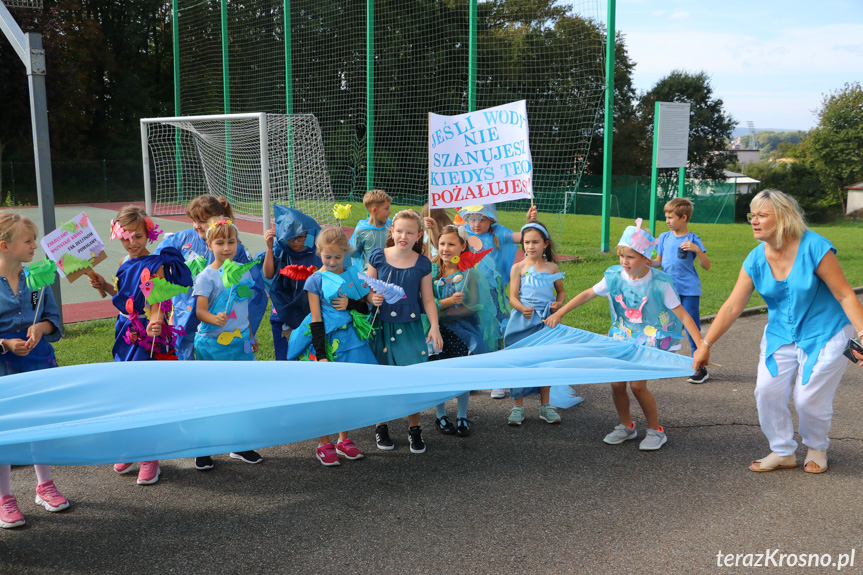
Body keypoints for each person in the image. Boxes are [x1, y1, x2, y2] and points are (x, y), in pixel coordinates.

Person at [694, 190, 863, 473]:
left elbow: (845, 294)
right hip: (781, 334)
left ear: (783, 218)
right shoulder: (755, 258)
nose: (753, 221)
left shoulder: (814, 247)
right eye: (752, 215)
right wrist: (706, 342)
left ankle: (817, 447)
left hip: (826, 332)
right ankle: (782, 451)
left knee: (807, 397)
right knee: (767, 391)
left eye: (761, 215)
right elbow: (734, 306)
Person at [545, 218, 703, 451]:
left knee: (638, 386)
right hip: (622, 336)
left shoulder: (661, 283)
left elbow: (685, 316)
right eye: (622, 256)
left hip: (649, 337)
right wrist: (561, 314)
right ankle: (626, 425)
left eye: (631, 256)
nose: (625, 262)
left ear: (645, 258)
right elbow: (587, 294)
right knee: (617, 384)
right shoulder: (615, 276)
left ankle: (655, 430)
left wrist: (701, 346)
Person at [89, 205, 193, 484]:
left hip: (148, 333)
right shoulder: (124, 262)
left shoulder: (156, 263)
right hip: (125, 331)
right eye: (126, 238)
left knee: (147, 393)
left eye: (137, 237)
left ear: (148, 233)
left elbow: (156, 298)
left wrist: (156, 321)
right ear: (117, 237)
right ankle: (132, 447)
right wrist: (104, 285)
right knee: (126, 391)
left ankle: (150, 455)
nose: (132, 243)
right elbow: (124, 296)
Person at [287, 226, 377, 465]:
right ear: (319, 252)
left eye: (338, 256)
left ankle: (343, 440)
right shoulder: (315, 280)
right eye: (328, 257)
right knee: (325, 394)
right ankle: (323, 443)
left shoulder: (352, 274)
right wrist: (321, 354)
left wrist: (350, 303)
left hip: (351, 341)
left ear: (346, 253)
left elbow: (364, 309)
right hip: (325, 344)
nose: (333, 261)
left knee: (348, 391)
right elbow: (316, 319)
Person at [0, 213, 68, 528]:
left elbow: (54, 318)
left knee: (39, 425)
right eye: (27, 241)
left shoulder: (37, 278)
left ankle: (44, 486)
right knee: (5, 433)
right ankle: (5, 498)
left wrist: (40, 327)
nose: (33, 246)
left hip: (39, 363)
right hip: (4, 369)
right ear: (4, 246)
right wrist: (5, 344)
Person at [366, 209, 443, 453]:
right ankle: (381, 426)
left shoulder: (422, 263)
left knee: (413, 377)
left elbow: (428, 299)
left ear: (419, 235)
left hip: (409, 328)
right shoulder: (378, 256)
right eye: (399, 230)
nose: (404, 236)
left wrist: (435, 326)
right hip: (381, 327)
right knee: (381, 378)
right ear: (392, 231)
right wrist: (372, 297)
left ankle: (414, 429)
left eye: (410, 232)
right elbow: (366, 290)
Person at [190, 217, 264, 470]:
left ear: (238, 243)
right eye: (220, 242)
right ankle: (204, 447)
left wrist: (251, 335)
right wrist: (215, 317)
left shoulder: (242, 272)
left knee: (241, 395)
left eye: (231, 242)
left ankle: (238, 443)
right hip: (212, 345)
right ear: (209, 244)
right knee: (211, 396)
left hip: (240, 343)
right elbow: (200, 312)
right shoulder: (206, 277)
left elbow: (246, 311)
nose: (226, 247)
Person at [155, 195, 266, 360]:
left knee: (217, 351)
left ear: (218, 218)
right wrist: (166, 298)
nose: (197, 226)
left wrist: (249, 331)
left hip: (217, 309)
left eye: (203, 221)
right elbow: (157, 260)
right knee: (183, 352)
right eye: (194, 220)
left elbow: (249, 286)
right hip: (185, 306)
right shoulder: (182, 239)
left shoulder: (235, 247)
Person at [459, 203, 537, 399]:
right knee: (471, 331)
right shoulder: (463, 234)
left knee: (493, 332)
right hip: (469, 292)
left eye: (481, 219)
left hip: (492, 294)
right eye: (472, 219)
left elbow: (522, 238)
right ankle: (472, 377)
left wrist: (529, 223)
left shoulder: (499, 233)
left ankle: (497, 380)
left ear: (491, 219)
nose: (475, 224)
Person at [429, 225, 499, 437]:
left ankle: (461, 415)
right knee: (437, 373)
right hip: (435, 330)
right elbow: (425, 302)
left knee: (462, 373)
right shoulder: (431, 272)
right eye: (442, 244)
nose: (446, 249)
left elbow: (475, 305)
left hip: (463, 330)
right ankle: (440, 414)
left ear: (463, 246)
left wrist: (447, 312)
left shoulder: (470, 274)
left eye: (451, 244)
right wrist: (446, 304)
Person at [504, 221, 566, 426]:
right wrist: (521, 308)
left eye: (535, 242)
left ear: (545, 244)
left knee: (545, 361)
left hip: (545, 321)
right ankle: (518, 406)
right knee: (518, 362)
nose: (530, 246)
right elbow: (512, 297)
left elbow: (561, 291)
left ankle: (545, 405)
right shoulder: (518, 267)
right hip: (523, 320)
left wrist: (558, 304)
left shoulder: (552, 267)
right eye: (526, 242)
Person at [652, 197, 711, 384]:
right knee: (664, 326)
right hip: (668, 290)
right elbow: (658, 262)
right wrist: (648, 263)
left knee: (691, 327)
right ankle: (664, 361)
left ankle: (700, 368)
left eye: (671, 217)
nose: (667, 221)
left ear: (683, 217)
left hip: (689, 291)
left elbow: (706, 265)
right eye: (666, 217)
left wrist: (697, 250)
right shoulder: (664, 238)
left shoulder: (693, 239)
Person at [262, 205, 323, 360]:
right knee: (284, 357)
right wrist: (269, 248)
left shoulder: (314, 254)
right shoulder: (279, 251)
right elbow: (268, 274)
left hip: (307, 313)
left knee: (306, 356)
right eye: (291, 238)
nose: (296, 242)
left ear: (307, 234)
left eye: (300, 237)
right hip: (281, 314)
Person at [350, 189, 392, 271]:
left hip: (388, 270)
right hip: (369, 273)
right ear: (374, 210)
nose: (389, 212)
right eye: (386, 208)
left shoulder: (390, 225)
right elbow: (354, 253)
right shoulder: (362, 230)